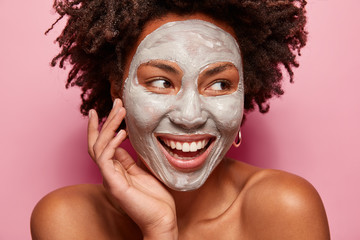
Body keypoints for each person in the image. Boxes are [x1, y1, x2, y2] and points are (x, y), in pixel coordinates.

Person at [31, 0, 330, 239]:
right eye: (161, 82)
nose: (190, 117)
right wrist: (160, 231)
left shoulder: (287, 208)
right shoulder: (66, 219)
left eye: (219, 84)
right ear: (117, 89)